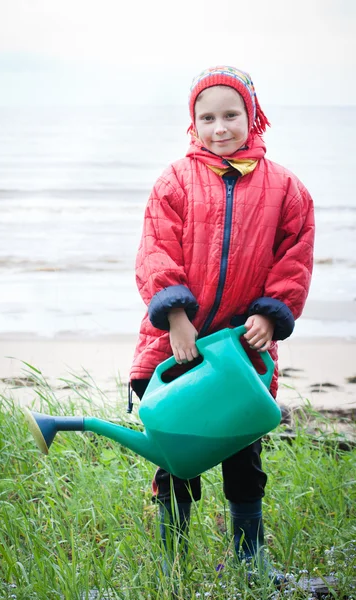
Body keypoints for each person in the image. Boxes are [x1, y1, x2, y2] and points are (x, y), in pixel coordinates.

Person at [128, 66, 315, 580]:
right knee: (177, 456)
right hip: (178, 347)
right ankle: (172, 563)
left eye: (231, 115)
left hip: (241, 351)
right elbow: (155, 252)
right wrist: (176, 318)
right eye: (206, 117)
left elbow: (294, 260)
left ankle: (249, 560)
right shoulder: (174, 180)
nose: (219, 127)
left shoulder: (285, 188)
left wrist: (271, 315)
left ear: (252, 116)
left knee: (242, 457)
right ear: (193, 123)